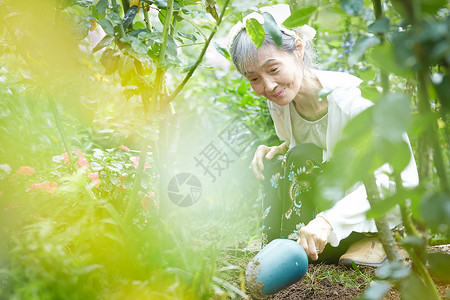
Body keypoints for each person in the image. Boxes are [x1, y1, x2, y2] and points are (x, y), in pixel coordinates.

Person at [227, 5, 419, 266]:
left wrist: (329, 220)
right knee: (281, 160)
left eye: (273, 70)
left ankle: (384, 239)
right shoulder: (282, 103)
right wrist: (277, 149)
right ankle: (285, 244)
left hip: (370, 207)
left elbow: (399, 178)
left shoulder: (354, 102)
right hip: (331, 202)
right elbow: (309, 148)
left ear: (298, 49)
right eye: (254, 79)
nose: (268, 86)